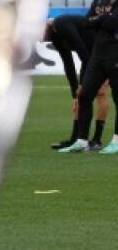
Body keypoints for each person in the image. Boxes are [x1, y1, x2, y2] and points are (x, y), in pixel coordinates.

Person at [58, 0, 118, 153]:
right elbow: (87, 23)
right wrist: (102, 20)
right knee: (84, 96)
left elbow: (111, 22)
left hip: (116, 52)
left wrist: (99, 20)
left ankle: (116, 141)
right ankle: (82, 140)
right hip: (98, 54)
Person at [45, 11, 109, 150]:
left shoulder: (61, 24)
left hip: (105, 49)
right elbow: (68, 64)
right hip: (92, 53)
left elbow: (84, 56)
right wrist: (74, 90)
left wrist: (81, 84)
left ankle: (97, 140)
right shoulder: (55, 37)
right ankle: (75, 139)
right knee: (80, 97)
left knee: (101, 93)